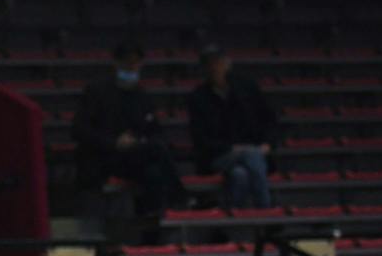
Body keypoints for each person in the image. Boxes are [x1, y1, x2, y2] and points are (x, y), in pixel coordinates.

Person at [72, 41, 187, 215]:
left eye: (136, 62)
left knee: (153, 172)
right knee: (156, 150)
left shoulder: (141, 95)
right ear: (117, 63)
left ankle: (153, 226)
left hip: (134, 155)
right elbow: (79, 130)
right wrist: (114, 143)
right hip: (104, 157)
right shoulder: (97, 92)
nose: (132, 67)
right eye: (128, 61)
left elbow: (155, 130)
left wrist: (138, 141)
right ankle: (179, 196)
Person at [188, 45, 277, 210]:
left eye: (219, 62)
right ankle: (265, 210)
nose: (215, 67)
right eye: (211, 63)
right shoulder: (198, 98)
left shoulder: (247, 89)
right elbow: (200, 139)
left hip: (249, 153)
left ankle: (235, 220)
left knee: (239, 175)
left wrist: (267, 143)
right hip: (218, 156)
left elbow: (269, 119)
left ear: (227, 64)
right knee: (251, 154)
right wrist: (231, 148)